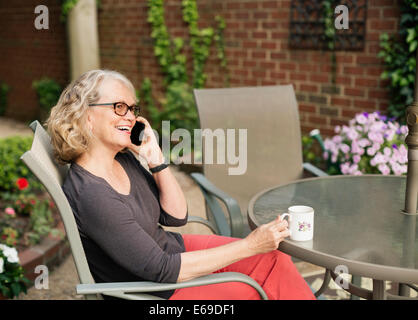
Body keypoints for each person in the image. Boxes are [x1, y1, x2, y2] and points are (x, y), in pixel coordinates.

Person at [46, 69, 316, 300]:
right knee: (249, 291)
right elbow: (162, 269)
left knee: (273, 260)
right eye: (119, 107)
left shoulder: (124, 159)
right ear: (87, 116)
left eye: (132, 108)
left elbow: (175, 216)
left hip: (173, 251)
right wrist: (251, 244)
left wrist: (156, 159)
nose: (130, 117)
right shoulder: (92, 194)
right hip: (155, 291)